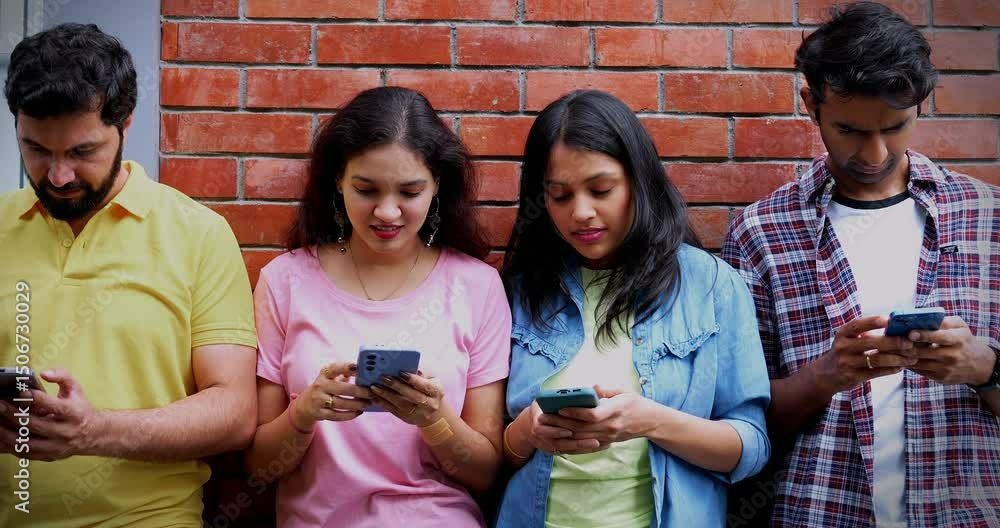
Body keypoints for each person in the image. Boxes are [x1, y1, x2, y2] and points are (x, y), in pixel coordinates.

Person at [722, 3, 1000, 527]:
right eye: (850, 129)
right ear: (811, 103)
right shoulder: (761, 233)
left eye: (895, 127)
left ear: (922, 103)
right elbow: (740, 425)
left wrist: (986, 370)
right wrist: (828, 374)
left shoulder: (989, 218)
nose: (875, 152)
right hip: (822, 512)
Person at [0, 23, 258, 527]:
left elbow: (236, 412)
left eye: (81, 152)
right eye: (36, 149)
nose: (58, 176)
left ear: (127, 123)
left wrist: (93, 431)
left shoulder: (198, 233)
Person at [496, 89, 771, 527]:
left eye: (601, 189)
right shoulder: (520, 292)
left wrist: (647, 421)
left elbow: (751, 449)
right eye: (560, 196)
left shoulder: (710, 285)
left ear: (638, 181)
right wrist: (527, 431)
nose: (581, 212)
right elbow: (494, 461)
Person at [245, 86, 512, 527]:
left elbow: (484, 472)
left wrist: (434, 418)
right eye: (366, 189)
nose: (387, 212)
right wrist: (305, 413)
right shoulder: (284, 280)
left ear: (437, 185)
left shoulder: (476, 286)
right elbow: (259, 466)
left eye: (410, 192)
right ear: (337, 180)